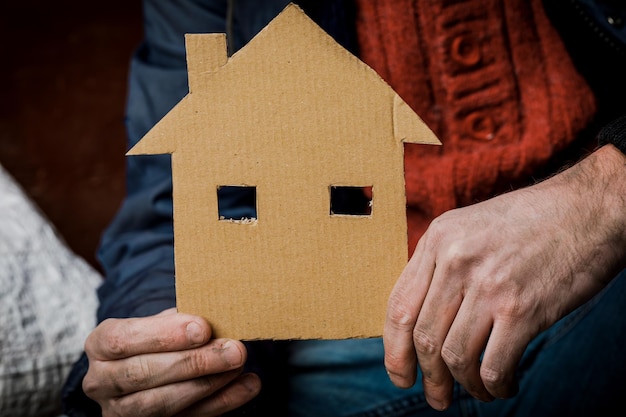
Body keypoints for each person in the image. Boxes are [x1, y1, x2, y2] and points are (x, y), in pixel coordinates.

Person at [61, 0, 626, 416]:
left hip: (597, 297)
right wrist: (158, 346)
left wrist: (605, 192)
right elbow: (172, 211)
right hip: (352, 346)